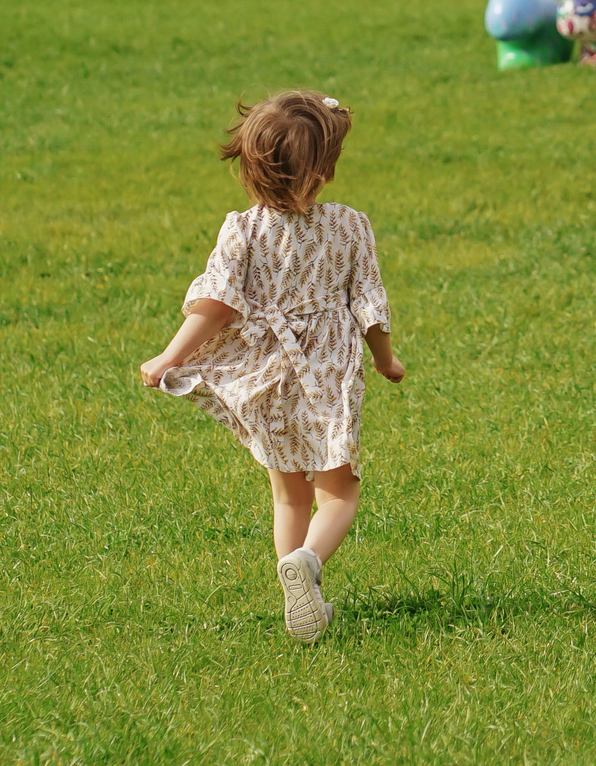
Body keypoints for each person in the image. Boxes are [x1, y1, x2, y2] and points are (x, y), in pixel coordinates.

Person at [138, 90, 405, 643]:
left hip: (268, 377)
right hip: (327, 377)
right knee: (340, 491)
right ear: (323, 172)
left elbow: (216, 304)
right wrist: (386, 359)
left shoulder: (242, 229)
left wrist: (170, 355)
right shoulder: (351, 227)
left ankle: (296, 594)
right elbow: (369, 308)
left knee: (289, 494)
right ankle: (308, 563)